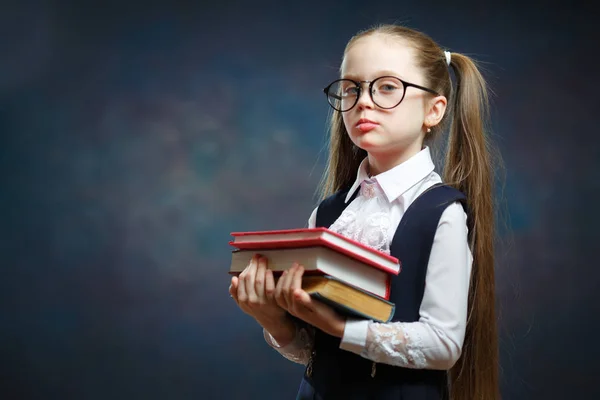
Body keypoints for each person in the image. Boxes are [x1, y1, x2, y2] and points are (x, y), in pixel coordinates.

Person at [229, 23, 500, 400]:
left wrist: (340, 327)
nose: (363, 101)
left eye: (387, 87)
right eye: (352, 87)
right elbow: (314, 350)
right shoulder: (329, 213)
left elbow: (443, 344)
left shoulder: (442, 212)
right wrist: (272, 319)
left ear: (434, 110)